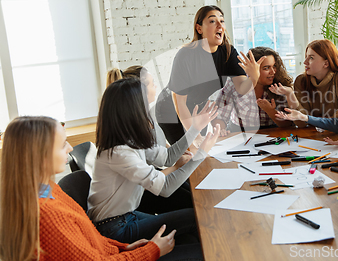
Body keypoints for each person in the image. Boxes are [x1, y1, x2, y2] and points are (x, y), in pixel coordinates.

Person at [0, 116, 175, 261]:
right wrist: (152, 251)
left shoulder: (45, 189)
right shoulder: (46, 213)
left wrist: (124, 247)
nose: (69, 147)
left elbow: (89, 240)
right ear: (40, 157)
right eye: (62, 144)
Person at [88, 78, 220, 260]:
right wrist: (201, 153)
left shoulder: (129, 139)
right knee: (196, 217)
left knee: (193, 220)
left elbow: (168, 157)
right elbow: (165, 188)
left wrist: (195, 128)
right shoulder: (118, 152)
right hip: (115, 228)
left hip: (126, 217)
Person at [156, 5, 263, 145]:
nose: (220, 25)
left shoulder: (228, 52)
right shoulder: (185, 55)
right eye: (212, 21)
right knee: (186, 153)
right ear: (199, 29)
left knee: (202, 150)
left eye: (222, 21)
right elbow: (179, 103)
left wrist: (254, 77)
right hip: (170, 108)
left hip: (197, 107)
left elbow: (242, 89)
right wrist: (194, 135)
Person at [106, 66, 193, 214]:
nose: (156, 86)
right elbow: (159, 162)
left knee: (192, 188)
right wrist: (177, 164)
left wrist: (178, 151)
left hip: (156, 175)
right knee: (193, 202)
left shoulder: (147, 114)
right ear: (141, 91)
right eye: (152, 83)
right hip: (145, 191)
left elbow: (159, 147)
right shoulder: (136, 125)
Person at [212, 46, 293, 135]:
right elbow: (219, 115)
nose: (273, 72)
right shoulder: (235, 82)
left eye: (274, 66)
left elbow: (287, 124)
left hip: (271, 133)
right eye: (266, 68)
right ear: (252, 70)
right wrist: (220, 129)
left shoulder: (280, 85)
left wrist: (270, 111)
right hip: (239, 132)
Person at [269, 39, 338, 128]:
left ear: (326, 63)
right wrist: (290, 94)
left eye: (311, 58)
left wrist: (313, 120)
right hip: (314, 135)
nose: (305, 62)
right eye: (306, 56)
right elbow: (302, 123)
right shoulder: (301, 81)